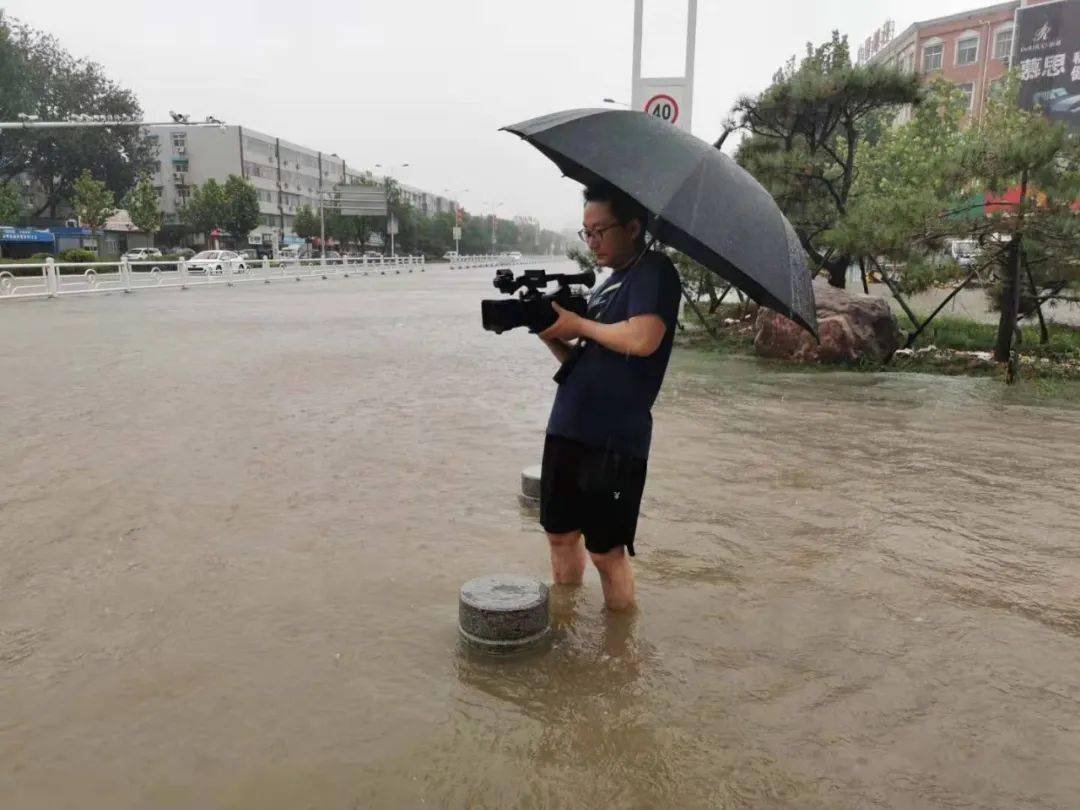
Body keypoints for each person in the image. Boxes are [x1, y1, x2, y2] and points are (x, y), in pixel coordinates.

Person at [537, 182, 682, 611]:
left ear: (634, 226)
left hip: (616, 440)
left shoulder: (654, 271)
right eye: (586, 232)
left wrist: (579, 327)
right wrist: (552, 336)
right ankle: (566, 623)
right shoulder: (607, 285)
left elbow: (643, 338)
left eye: (600, 230)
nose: (592, 241)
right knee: (560, 535)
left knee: (605, 551)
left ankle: (619, 657)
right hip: (567, 426)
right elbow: (584, 359)